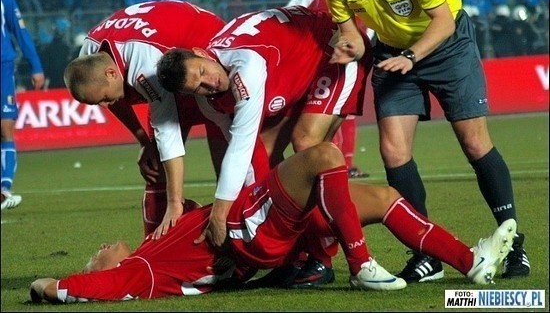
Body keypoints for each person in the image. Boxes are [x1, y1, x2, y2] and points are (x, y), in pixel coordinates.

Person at [312, 0, 530, 282]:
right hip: (394, 54)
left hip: (447, 46)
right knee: (393, 151)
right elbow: (353, 38)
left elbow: (443, 21)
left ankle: (514, 245)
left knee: (474, 142)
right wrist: (346, 48)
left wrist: (412, 57)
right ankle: (426, 253)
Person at [29, 142, 517, 303]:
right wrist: (46, 285)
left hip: (260, 234)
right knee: (323, 155)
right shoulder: (142, 270)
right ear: (104, 267)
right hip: (249, 231)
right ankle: (361, 264)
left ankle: (471, 265)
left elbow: (171, 209)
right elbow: (93, 286)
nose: (103, 244)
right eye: (99, 252)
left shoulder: (153, 250)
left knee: (384, 196)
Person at [156, 5, 371, 251]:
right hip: (296, 68)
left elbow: (241, 147)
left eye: (203, 72)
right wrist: (255, 214)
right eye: (199, 88)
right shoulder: (209, 102)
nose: (210, 83)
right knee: (267, 157)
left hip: (334, 49)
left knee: (306, 144)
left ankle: (335, 251)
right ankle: (299, 245)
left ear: (201, 53)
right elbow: (250, 155)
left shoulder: (247, 65)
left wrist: (220, 213)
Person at [63, 0, 228, 238]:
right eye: (96, 102)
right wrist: (143, 141)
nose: (104, 106)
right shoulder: (89, 58)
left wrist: (175, 203)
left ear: (111, 74)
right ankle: (153, 248)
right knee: (154, 167)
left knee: (225, 164)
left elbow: (167, 132)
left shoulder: (146, 65)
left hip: (205, 60)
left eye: (105, 98)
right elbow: (115, 100)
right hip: (170, 63)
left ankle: (236, 242)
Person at [287, 0, 370, 178]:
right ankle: (324, 166)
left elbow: (373, 24)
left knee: (344, 111)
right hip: (314, 57)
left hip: (351, 56)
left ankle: (344, 165)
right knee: (317, 114)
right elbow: (291, 10)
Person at [1, 0, 45, 210]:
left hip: (2, 68)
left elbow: (20, 32)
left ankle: (3, 189)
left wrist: (36, 66)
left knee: (5, 127)